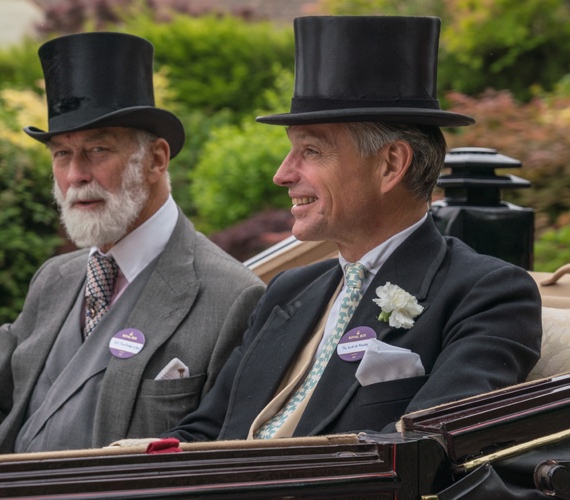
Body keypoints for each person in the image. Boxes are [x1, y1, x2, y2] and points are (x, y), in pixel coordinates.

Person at [0, 32, 264, 460]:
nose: (76, 174)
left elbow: (219, 460)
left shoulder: (233, 295)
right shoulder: (56, 278)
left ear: (156, 160)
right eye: (62, 154)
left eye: (97, 149)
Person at [161, 15, 542, 442]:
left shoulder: (487, 294)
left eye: (311, 150)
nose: (282, 174)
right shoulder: (288, 291)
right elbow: (205, 430)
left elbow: (421, 456)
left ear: (391, 164)